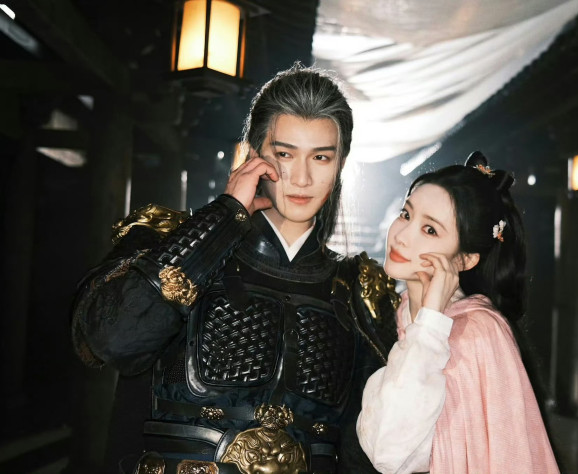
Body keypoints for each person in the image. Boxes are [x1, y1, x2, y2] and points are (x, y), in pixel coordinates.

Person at [71, 64, 399, 474]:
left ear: (340, 164)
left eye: (320, 157)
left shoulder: (359, 290)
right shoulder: (166, 241)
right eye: (284, 154)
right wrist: (225, 216)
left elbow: (369, 450)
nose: (301, 178)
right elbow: (110, 340)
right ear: (252, 154)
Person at [356, 151, 560, 473]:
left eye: (430, 230)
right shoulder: (397, 311)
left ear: (465, 259)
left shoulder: (477, 330)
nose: (402, 236)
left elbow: (389, 453)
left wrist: (430, 325)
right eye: (406, 215)